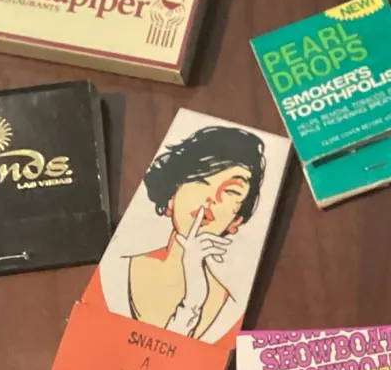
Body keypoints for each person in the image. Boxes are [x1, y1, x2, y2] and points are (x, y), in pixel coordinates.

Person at [97, 125, 266, 343]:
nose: (211, 198)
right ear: (171, 196)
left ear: (236, 220)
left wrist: (194, 292)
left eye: (231, 191)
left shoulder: (232, 310)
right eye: (200, 180)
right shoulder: (114, 271)